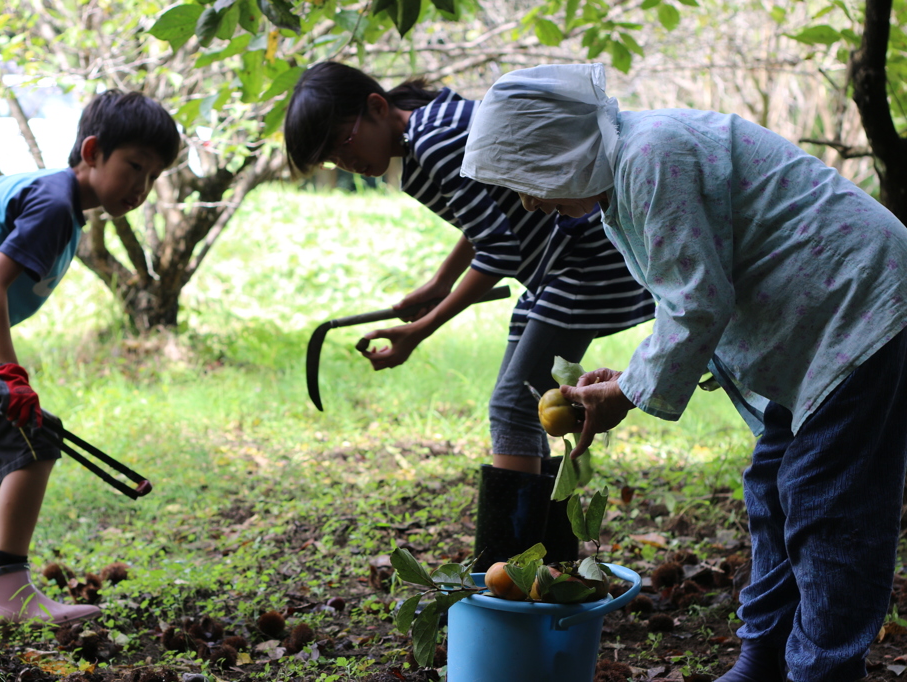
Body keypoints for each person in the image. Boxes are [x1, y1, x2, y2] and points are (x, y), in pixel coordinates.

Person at [460, 62, 907, 682]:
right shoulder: (627, 171)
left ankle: (823, 670)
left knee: (825, 504)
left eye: (530, 178)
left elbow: (699, 303)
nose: (529, 200)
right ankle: (763, 659)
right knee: (773, 490)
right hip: (817, 329)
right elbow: (689, 294)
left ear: (563, 147)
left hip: (858, 310)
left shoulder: (649, 157)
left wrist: (628, 393)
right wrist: (630, 377)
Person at [284, 62, 655, 570]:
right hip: (567, 258)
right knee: (533, 399)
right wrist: (439, 283)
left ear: (376, 107)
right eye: (332, 159)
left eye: (344, 143)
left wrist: (421, 329)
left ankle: (511, 570)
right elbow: (491, 216)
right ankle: (549, 564)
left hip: (581, 258)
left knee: (514, 404)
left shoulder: (430, 143)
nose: (347, 162)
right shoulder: (436, 124)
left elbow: (497, 251)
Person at [0, 90, 180, 624]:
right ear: (92, 151)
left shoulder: (60, 200)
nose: (141, 187)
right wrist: (9, 375)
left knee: (8, 443)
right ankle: (8, 591)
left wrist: (7, 378)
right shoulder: (53, 204)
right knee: (35, 441)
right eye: (134, 166)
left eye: (153, 176)